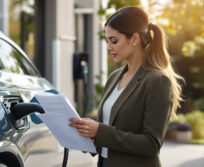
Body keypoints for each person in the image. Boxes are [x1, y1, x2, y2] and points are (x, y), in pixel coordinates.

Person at [69, 6, 184, 167]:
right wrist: (95, 142)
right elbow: (111, 131)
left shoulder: (157, 81)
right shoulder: (114, 78)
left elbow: (151, 144)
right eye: (107, 41)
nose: (109, 47)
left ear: (134, 38)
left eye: (114, 41)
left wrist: (100, 131)